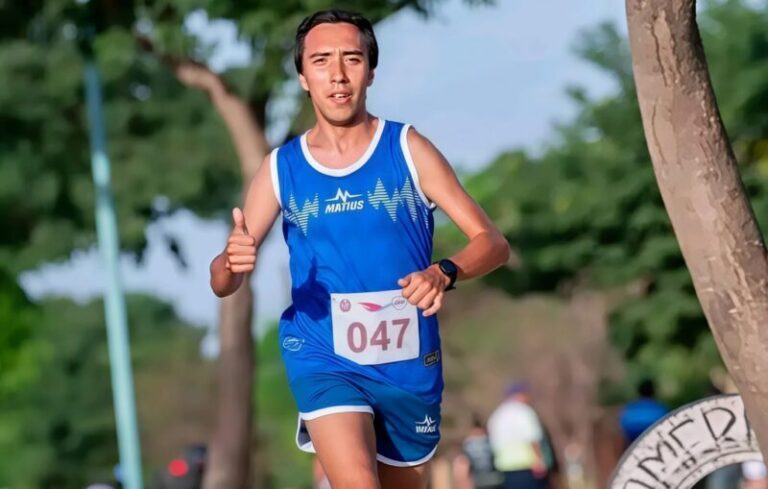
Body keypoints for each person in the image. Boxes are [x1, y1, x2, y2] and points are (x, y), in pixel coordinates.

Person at [209, 8, 510, 489]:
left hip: (408, 362)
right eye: (321, 60)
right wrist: (230, 262)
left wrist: (444, 272)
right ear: (303, 77)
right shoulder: (281, 168)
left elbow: (492, 242)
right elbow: (223, 283)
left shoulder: (407, 148)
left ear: (370, 71)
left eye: (351, 58)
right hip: (322, 353)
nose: (337, 74)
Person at [487, 382, 549, 489]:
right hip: (526, 466)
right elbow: (533, 438)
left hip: (505, 468)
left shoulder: (497, 415)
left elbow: (493, 443)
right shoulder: (524, 412)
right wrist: (539, 461)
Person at [459, 414, 504, 489]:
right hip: (495, 479)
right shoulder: (491, 441)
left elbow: (462, 469)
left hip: (478, 481)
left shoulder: (467, 444)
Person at [618, 379, 668, 446]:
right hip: (654, 442)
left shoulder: (630, 408)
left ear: (638, 391)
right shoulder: (660, 409)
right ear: (653, 391)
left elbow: (623, 429)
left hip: (633, 444)